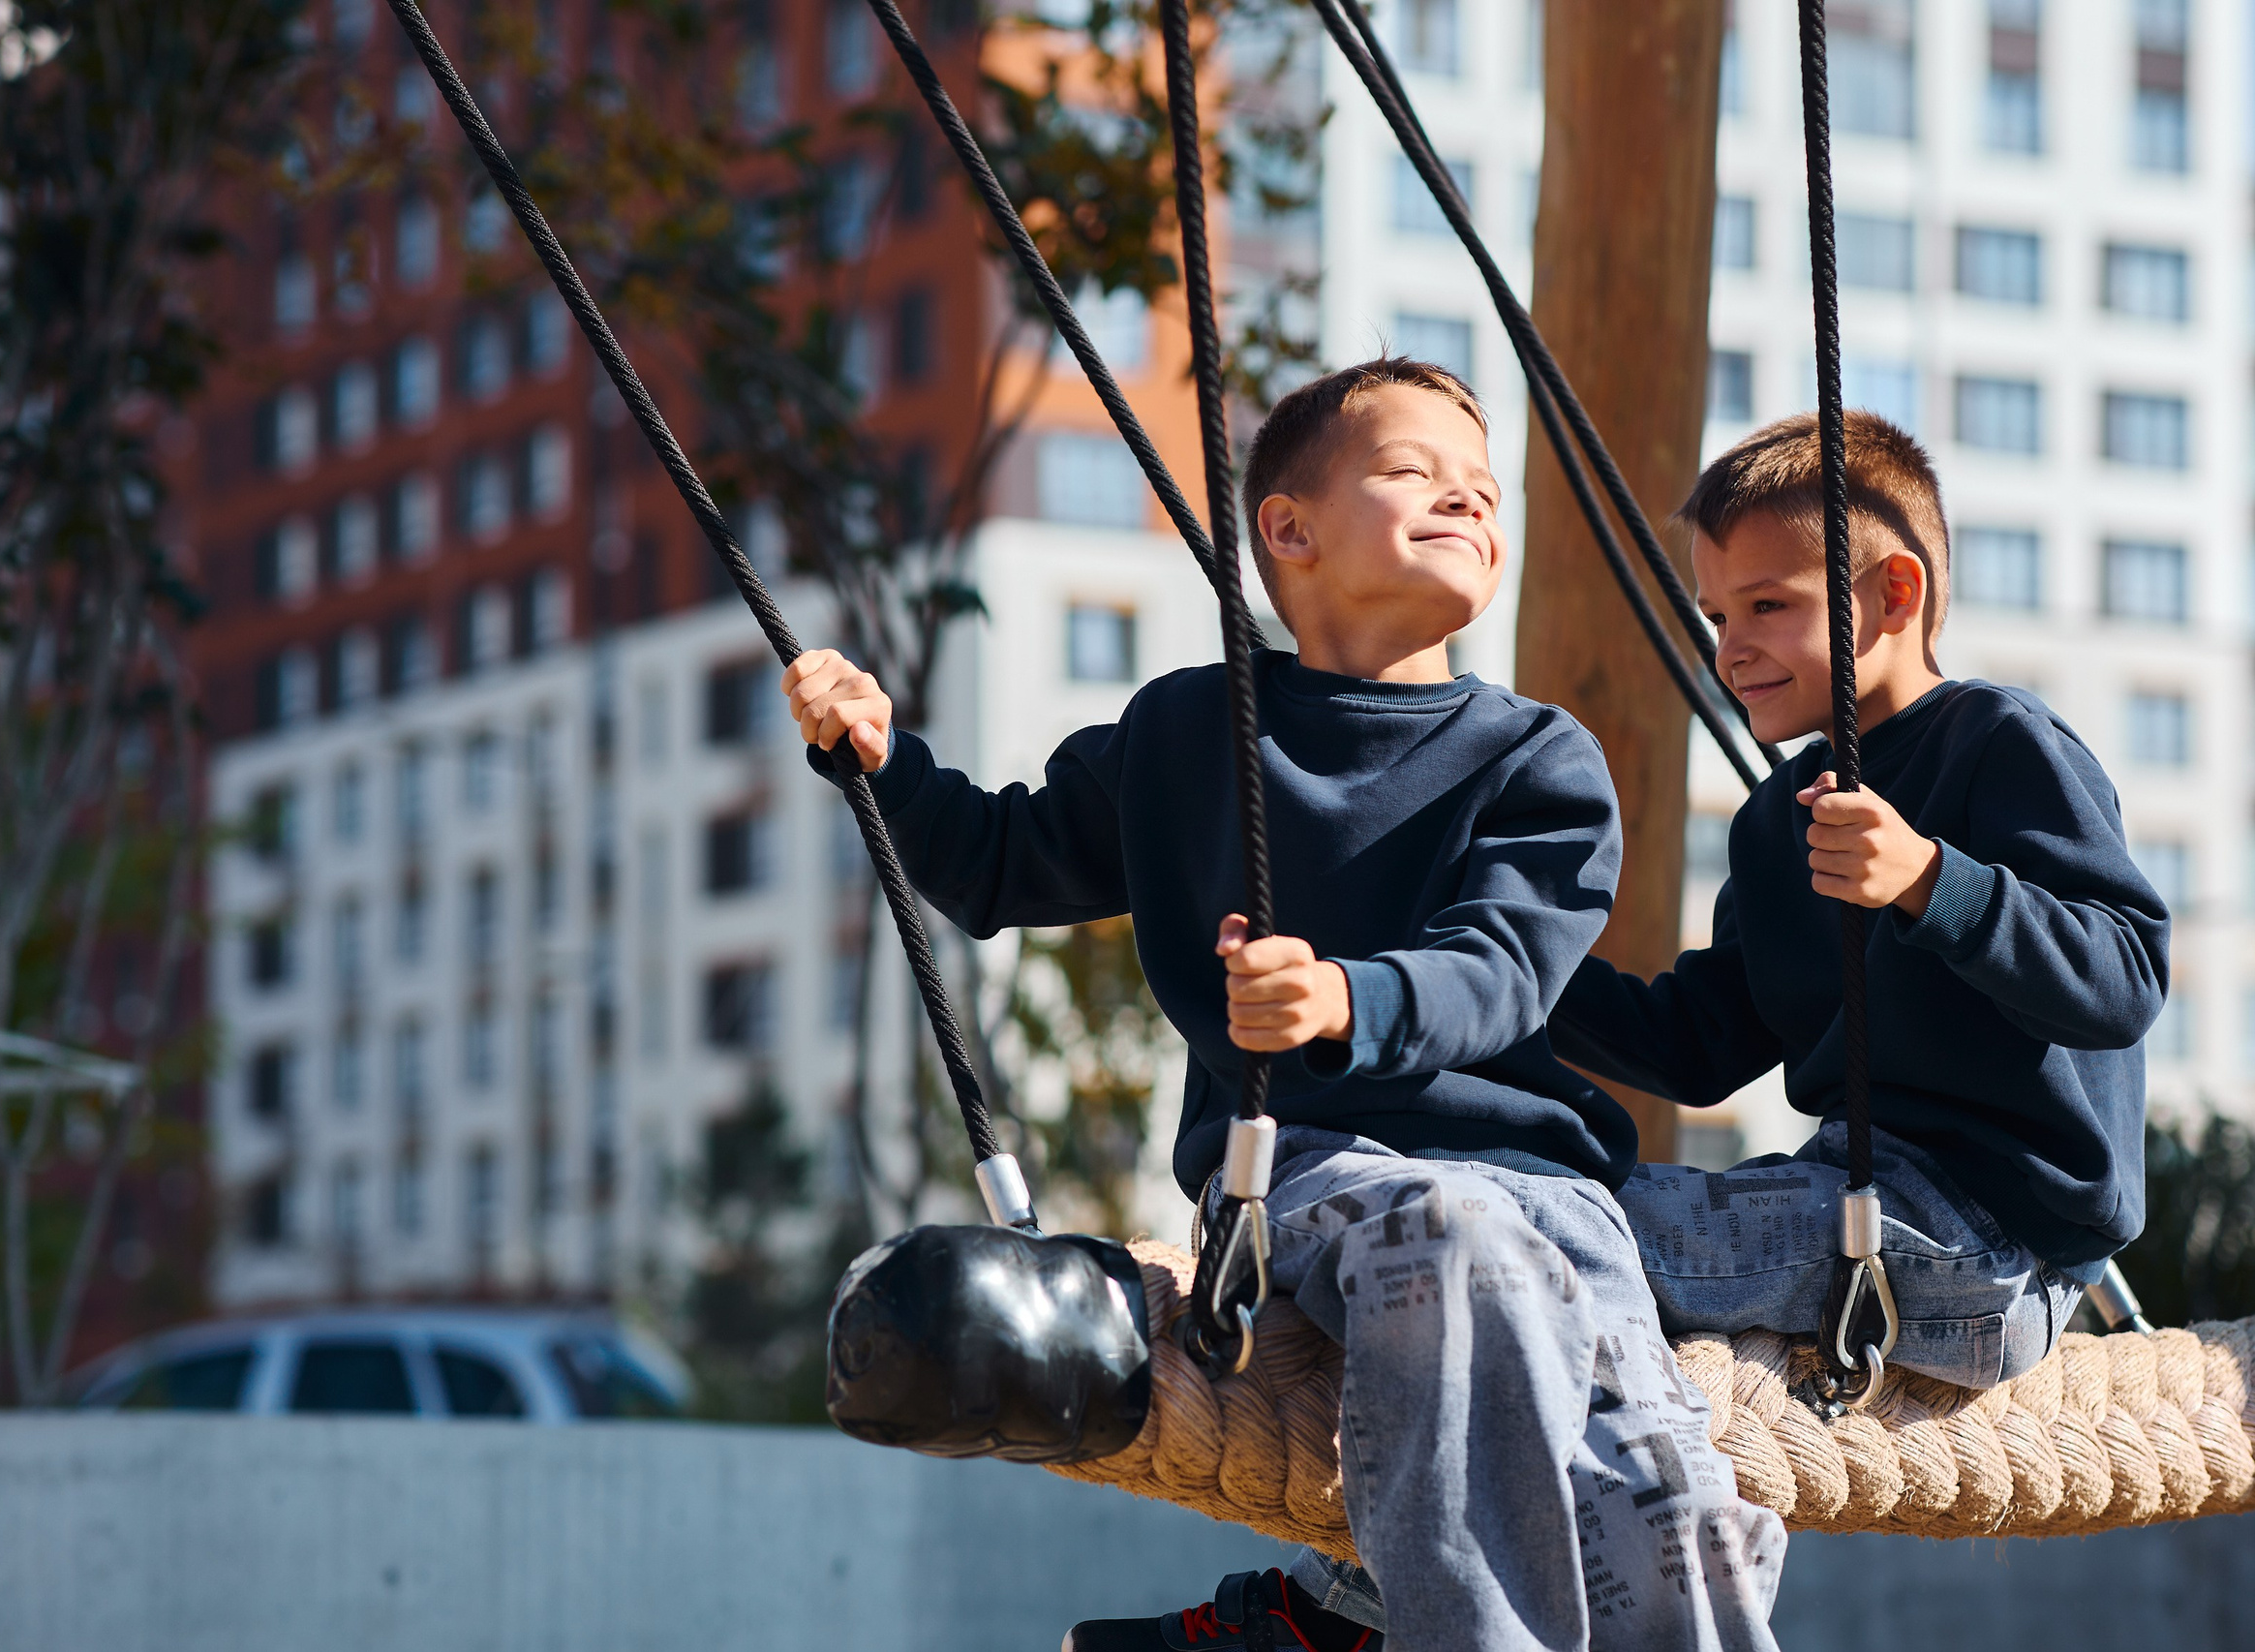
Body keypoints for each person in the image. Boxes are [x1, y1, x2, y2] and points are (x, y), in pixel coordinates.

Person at [784, 358, 1783, 1652]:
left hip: (1551, 1188)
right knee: (1455, 1231)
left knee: (1662, 1489)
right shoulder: (1193, 732)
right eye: (1420, 473)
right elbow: (995, 860)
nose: (1470, 500)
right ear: (1290, 529)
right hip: (1311, 1166)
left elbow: (1503, 968)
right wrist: (880, 758)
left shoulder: (1539, 758)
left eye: (1486, 489)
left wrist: (1341, 997)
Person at [1550, 411, 2170, 1395]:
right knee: (1540, 1197)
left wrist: (1933, 879)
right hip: (1842, 1198)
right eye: (1716, 617)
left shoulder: (1996, 741)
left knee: (1562, 1235)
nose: (1730, 650)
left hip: (1993, 1238)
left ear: (1893, 594)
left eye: (1765, 605)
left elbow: (2122, 979)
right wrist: (1507, 975)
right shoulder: (1772, 821)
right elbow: (1697, 1042)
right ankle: (1364, 1556)